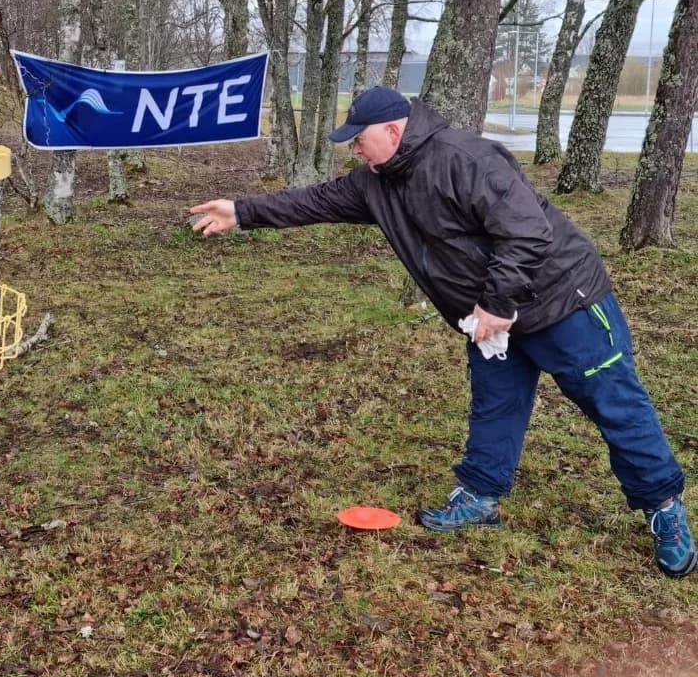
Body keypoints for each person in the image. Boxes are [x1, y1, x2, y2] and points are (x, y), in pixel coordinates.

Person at [190, 86, 695, 578]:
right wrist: (243, 211)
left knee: (616, 406)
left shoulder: (464, 157)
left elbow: (525, 230)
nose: (355, 148)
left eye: (360, 138)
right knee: (494, 403)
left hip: (565, 302)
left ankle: (664, 509)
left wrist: (498, 303)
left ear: (392, 129)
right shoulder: (376, 180)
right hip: (490, 319)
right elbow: (315, 202)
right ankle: (480, 495)